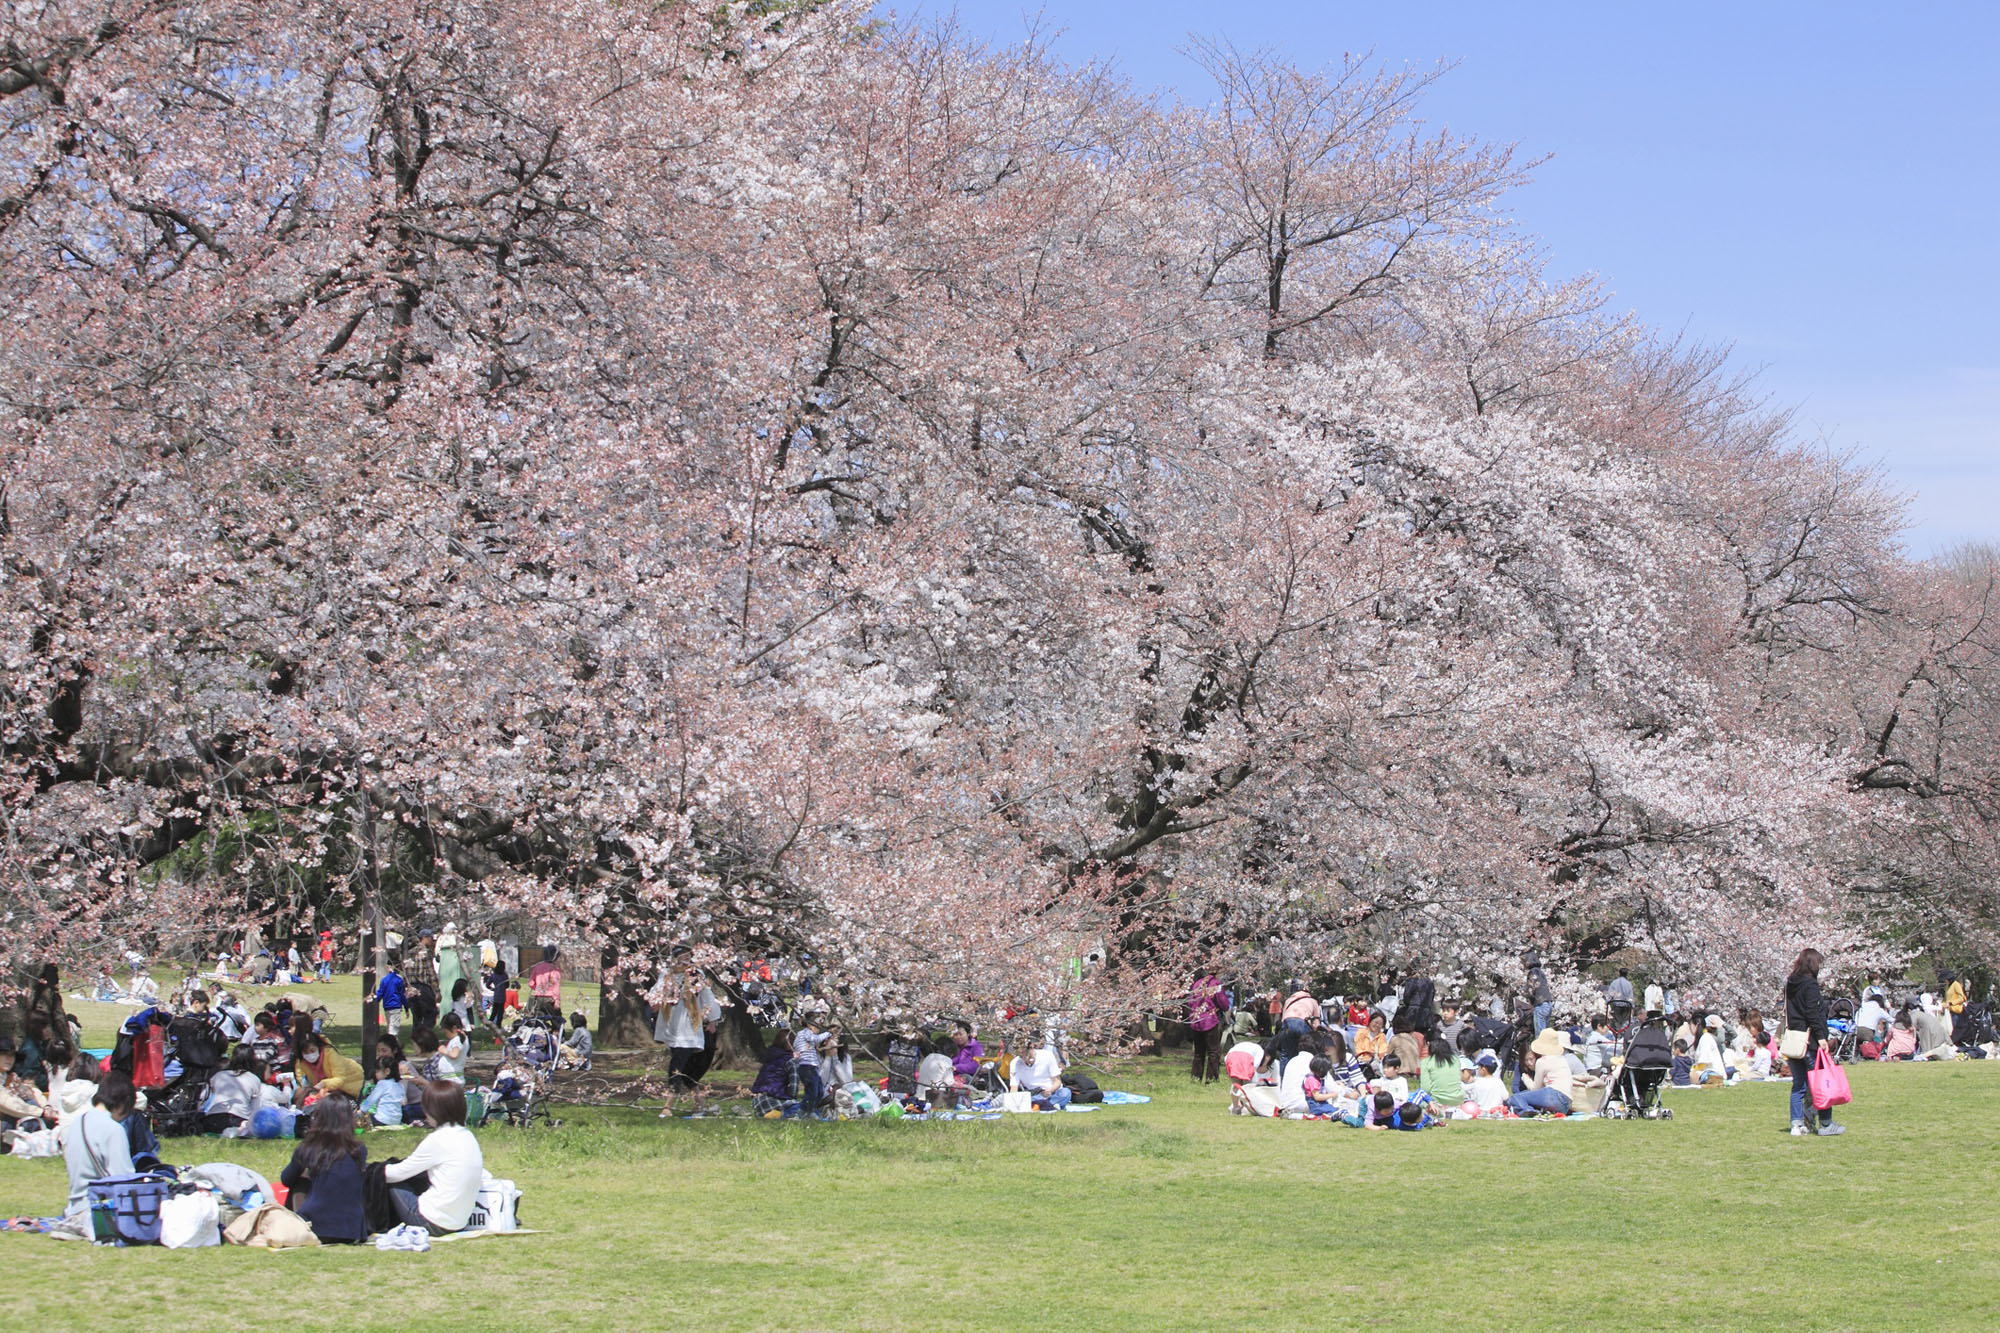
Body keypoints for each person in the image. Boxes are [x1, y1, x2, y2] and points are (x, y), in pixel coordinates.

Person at [382, 1081, 485, 1234]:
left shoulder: (437, 1139)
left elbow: (396, 1174)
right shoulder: (468, 1136)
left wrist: (373, 1169)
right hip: (460, 1222)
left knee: (388, 1179)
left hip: (430, 1221)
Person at [280, 1093, 368, 1243]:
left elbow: (286, 1179)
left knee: (299, 1182)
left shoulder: (308, 1148)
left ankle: (299, 1223)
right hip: (352, 1229)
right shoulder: (359, 1149)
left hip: (318, 1227)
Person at [60, 1070, 136, 1222]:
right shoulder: (113, 1129)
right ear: (124, 1103)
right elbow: (123, 1178)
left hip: (74, 1206)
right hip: (99, 1209)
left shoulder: (77, 1123)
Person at [1784, 947, 1844, 1136]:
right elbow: (1812, 1013)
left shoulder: (1790, 983)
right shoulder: (1810, 985)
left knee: (1799, 1084)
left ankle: (1797, 1123)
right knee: (1822, 1081)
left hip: (1795, 1039)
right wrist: (1821, 1037)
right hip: (1810, 1041)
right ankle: (1825, 1123)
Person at [654, 964, 722, 1115]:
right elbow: (657, 992)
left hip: (689, 1028)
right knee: (686, 1071)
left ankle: (667, 1107)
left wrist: (712, 1020)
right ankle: (700, 1105)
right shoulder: (667, 973)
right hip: (672, 1026)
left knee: (676, 1066)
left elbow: (707, 997)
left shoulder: (696, 974)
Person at [1506, 1029, 1575, 1117]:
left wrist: (1525, 1078)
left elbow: (1535, 1088)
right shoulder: (1562, 1059)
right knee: (1526, 1096)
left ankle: (1528, 1111)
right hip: (1566, 1102)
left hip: (1554, 1094)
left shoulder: (1542, 1061)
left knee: (1516, 1098)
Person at [199, 1047, 266, 1135]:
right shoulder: (254, 1079)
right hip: (238, 1120)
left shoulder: (219, 1075)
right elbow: (255, 1107)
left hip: (212, 1119)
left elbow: (203, 1097)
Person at [296, 1033, 366, 1103]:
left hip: (351, 1083)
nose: (310, 1055)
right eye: (305, 1052)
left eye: (312, 1050)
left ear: (319, 1047)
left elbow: (340, 1079)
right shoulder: (302, 1062)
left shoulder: (331, 1054)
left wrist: (323, 1084)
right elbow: (302, 1078)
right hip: (330, 1089)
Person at [792, 1008, 837, 1113]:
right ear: (811, 1025)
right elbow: (815, 1039)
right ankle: (804, 1111)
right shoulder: (806, 1033)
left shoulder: (802, 1035)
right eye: (818, 1027)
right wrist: (828, 1033)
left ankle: (811, 1110)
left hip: (811, 1066)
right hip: (806, 1066)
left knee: (819, 1090)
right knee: (812, 1091)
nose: (818, 1030)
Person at [1188, 970, 1227, 1084]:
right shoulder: (1216, 984)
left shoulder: (1196, 984)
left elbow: (1190, 1002)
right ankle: (1211, 1078)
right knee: (1213, 1052)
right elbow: (1224, 1003)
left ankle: (1196, 1077)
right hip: (1211, 1020)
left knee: (1198, 1052)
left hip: (1196, 1020)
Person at [1010, 1034, 1069, 1110]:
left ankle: (1042, 1105)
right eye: (1022, 1056)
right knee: (1027, 1099)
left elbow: (1057, 1081)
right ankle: (1047, 1106)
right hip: (1033, 1094)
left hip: (1051, 1092)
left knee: (1065, 1093)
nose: (1025, 1059)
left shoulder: (1047, 1055)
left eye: (1027, 1055)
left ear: (1032, 1047)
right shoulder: (1015, 1063)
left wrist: (1050, 1090)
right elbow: (1014, 1087)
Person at [1276, 981, 1318, 1075]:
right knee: (1305, 1053)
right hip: (1302, 1025)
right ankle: (1304, 1076)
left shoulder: (1289, 1000)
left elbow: (1283, 1019)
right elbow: (1316, 1024)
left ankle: (1284, 1079)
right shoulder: (1312, 1001)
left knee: (1286, 1054)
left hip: (1287, 1025)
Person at [403, 931, 441, 1032]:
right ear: (424, 938)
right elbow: (430, 972)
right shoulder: (425, 952)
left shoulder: (410, 952)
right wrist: (437, 991)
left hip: (411, 988)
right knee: (431, 1013)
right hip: (423, 987)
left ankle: (416, 1038)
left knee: (417, 1017)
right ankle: (425, 1036)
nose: (432, 942)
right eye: (430, 939)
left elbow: (405, 972)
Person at [1418, 1033, 1465, 1107]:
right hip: (1458, 1100)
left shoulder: (1426, 1062)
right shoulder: (1455, 1059)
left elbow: (1426, 1088)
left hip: (1437, 1101)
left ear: (1429, 1044)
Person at [359, 1058, 405, 1126]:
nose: (375, 1074)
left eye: (377, 1071)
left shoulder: (382, 1084)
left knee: (363, 1118)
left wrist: (362, 1109)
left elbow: (371, 1099)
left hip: (382, 1119)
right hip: (396, 1120)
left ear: (387, 1071)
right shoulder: (400, 1084)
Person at [374, 958, 408, 1037]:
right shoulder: (399, 980)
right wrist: (406, 1007)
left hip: (387, 1006)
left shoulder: (384, 980)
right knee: (394, 1029)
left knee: (390, 1026)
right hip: (396, 1006)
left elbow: (380, 993)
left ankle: (390, 1043)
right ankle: (392, 1044)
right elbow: (402, 995)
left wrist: (375, 1002)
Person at [433, 1014, 468, 1083]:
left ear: (454, 1028)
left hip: (451, 1078)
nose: (446, 1035)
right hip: (451, 1077)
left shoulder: (457, 1040)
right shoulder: (461, 1039)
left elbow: (454, 1055)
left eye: (446, 1032)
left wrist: (444, 1050)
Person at [1353, 1010, 1390, 1075]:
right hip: (1360, 1059)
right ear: (1370, 1021)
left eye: (1380, 1024)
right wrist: (1365, 1055)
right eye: (1376, 1022)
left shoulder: (1382, 1036)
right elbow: (1357, 1048)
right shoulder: (1361, 1032)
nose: (1377, 1025)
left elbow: (1382, 1051)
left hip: (1374, 1061)